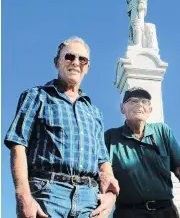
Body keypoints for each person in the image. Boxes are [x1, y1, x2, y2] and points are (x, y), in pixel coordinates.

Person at [4, 37, 119, 218]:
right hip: (47, 194)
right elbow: (18, 145)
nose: (76, 62)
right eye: (69, 57)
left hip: (90, 200)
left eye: (82, 59)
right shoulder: (36, 96)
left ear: (87, 67)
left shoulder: (94, 112)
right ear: (57, 62)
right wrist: (23, 195)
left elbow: (103, 162)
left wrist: (110, 196)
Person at [105, 87, 180, 218]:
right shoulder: (110, 137)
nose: (139, 105)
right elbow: (102, 174)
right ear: (122, 108)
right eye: (133, 101)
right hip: (129, 213)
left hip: (165, 212)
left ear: (150, 110)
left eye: (144, 102)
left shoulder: (162, 131)